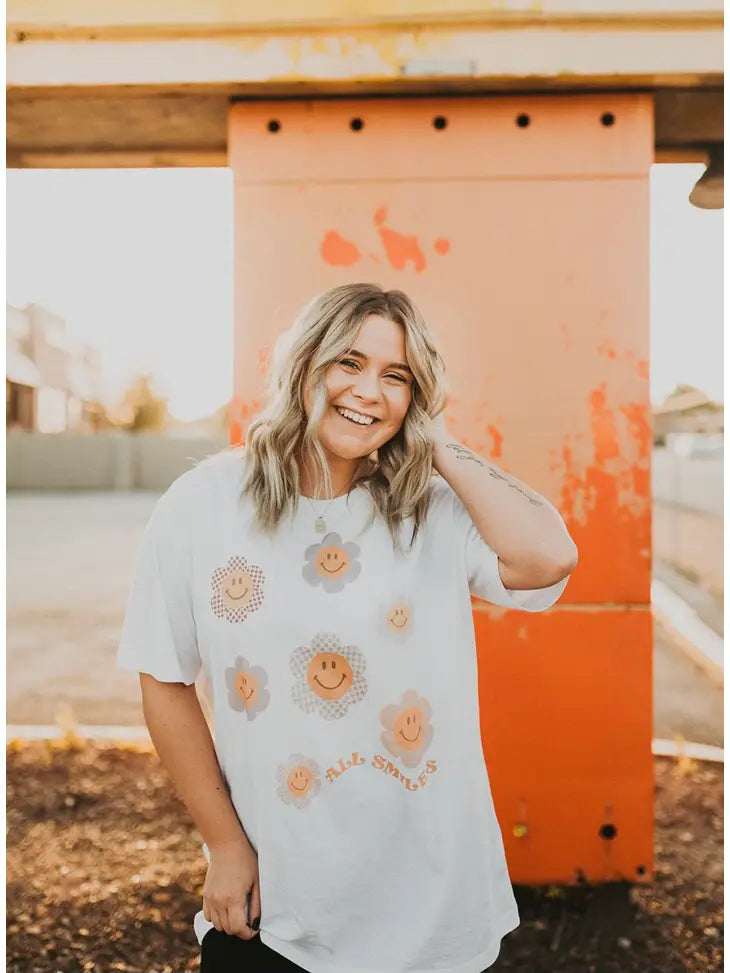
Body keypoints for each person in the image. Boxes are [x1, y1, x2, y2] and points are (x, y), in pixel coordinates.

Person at [117, 282, 578, 973]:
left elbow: (549, 557)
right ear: (305, 363)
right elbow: (164, 678)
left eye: (398, 377)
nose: (369, 390)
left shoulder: (432, 509)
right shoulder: (203, 504)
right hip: (278, 902)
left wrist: (439, 443)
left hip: (434, 905)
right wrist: (227, 844)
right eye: (349, 362)